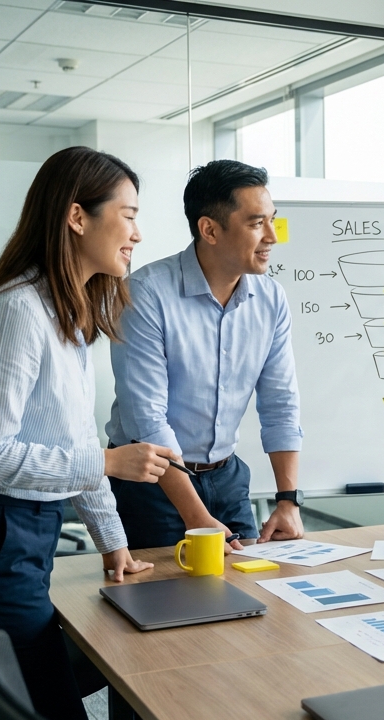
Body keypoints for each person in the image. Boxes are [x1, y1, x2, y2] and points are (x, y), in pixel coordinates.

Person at [0, 146, 165, 720]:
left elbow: (75, 438)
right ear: (77, 217)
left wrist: (113, 542)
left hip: (21, 538)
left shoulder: (67, 315)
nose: (138, 233)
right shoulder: (17, 314)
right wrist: (108, 465)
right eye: (129, 214)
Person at [107, 160, 304, 553]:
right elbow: (148, 421)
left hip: (227, 479)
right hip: (151, 483)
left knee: (255, 597)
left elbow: (280, 403)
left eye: (272, 221)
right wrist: (196, 518)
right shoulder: (145, 294)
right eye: (255, 223)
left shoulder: (270, 299)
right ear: (209, 229)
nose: (272, 237)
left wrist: (288, 499)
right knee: (166, 607)